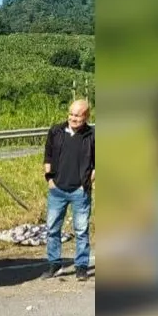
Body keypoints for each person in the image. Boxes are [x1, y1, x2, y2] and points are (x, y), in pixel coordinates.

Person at [40, 99, 95, 281]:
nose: (73, 118)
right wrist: (50, 179)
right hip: (57, 190)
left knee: (81, 230)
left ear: (86, 116)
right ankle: (54, 264)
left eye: (77, 115)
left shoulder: (92, 135)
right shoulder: (56, 131)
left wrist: (86, 181)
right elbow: (47, 156)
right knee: (52, 229)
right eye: (71, 114)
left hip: (80, 191)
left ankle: (81, 267)